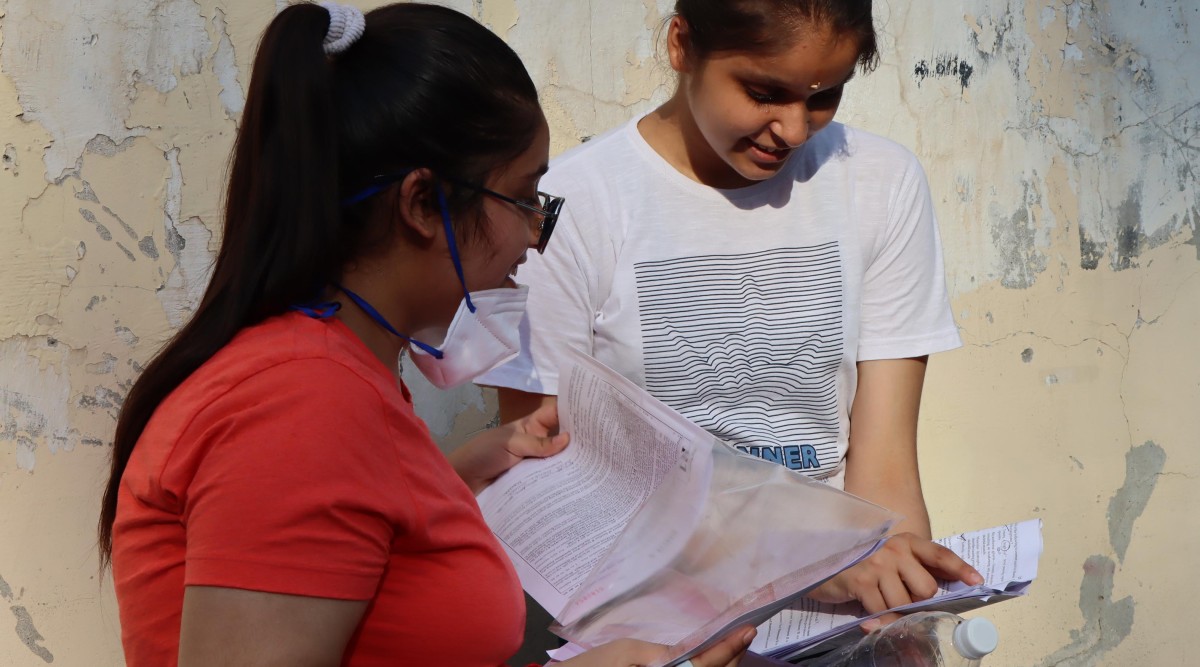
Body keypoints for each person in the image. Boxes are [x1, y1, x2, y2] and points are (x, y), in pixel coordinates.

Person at [96, 3, 754, 666]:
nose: (533, 239)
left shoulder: (331, 375)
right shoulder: (300, 407)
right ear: (421, 204)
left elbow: (351, 546)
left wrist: (464, 469)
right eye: (525, 200)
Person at [480, 0, 984, 627]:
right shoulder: (568, 208)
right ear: (682, 46)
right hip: (650, 620)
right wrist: (797, 555)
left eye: (825, 95)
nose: (796, 130)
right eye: (765, 92)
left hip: (837, 611)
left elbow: (884, 468)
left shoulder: (880, 182)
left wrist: (903, 616)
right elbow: (547, 474)